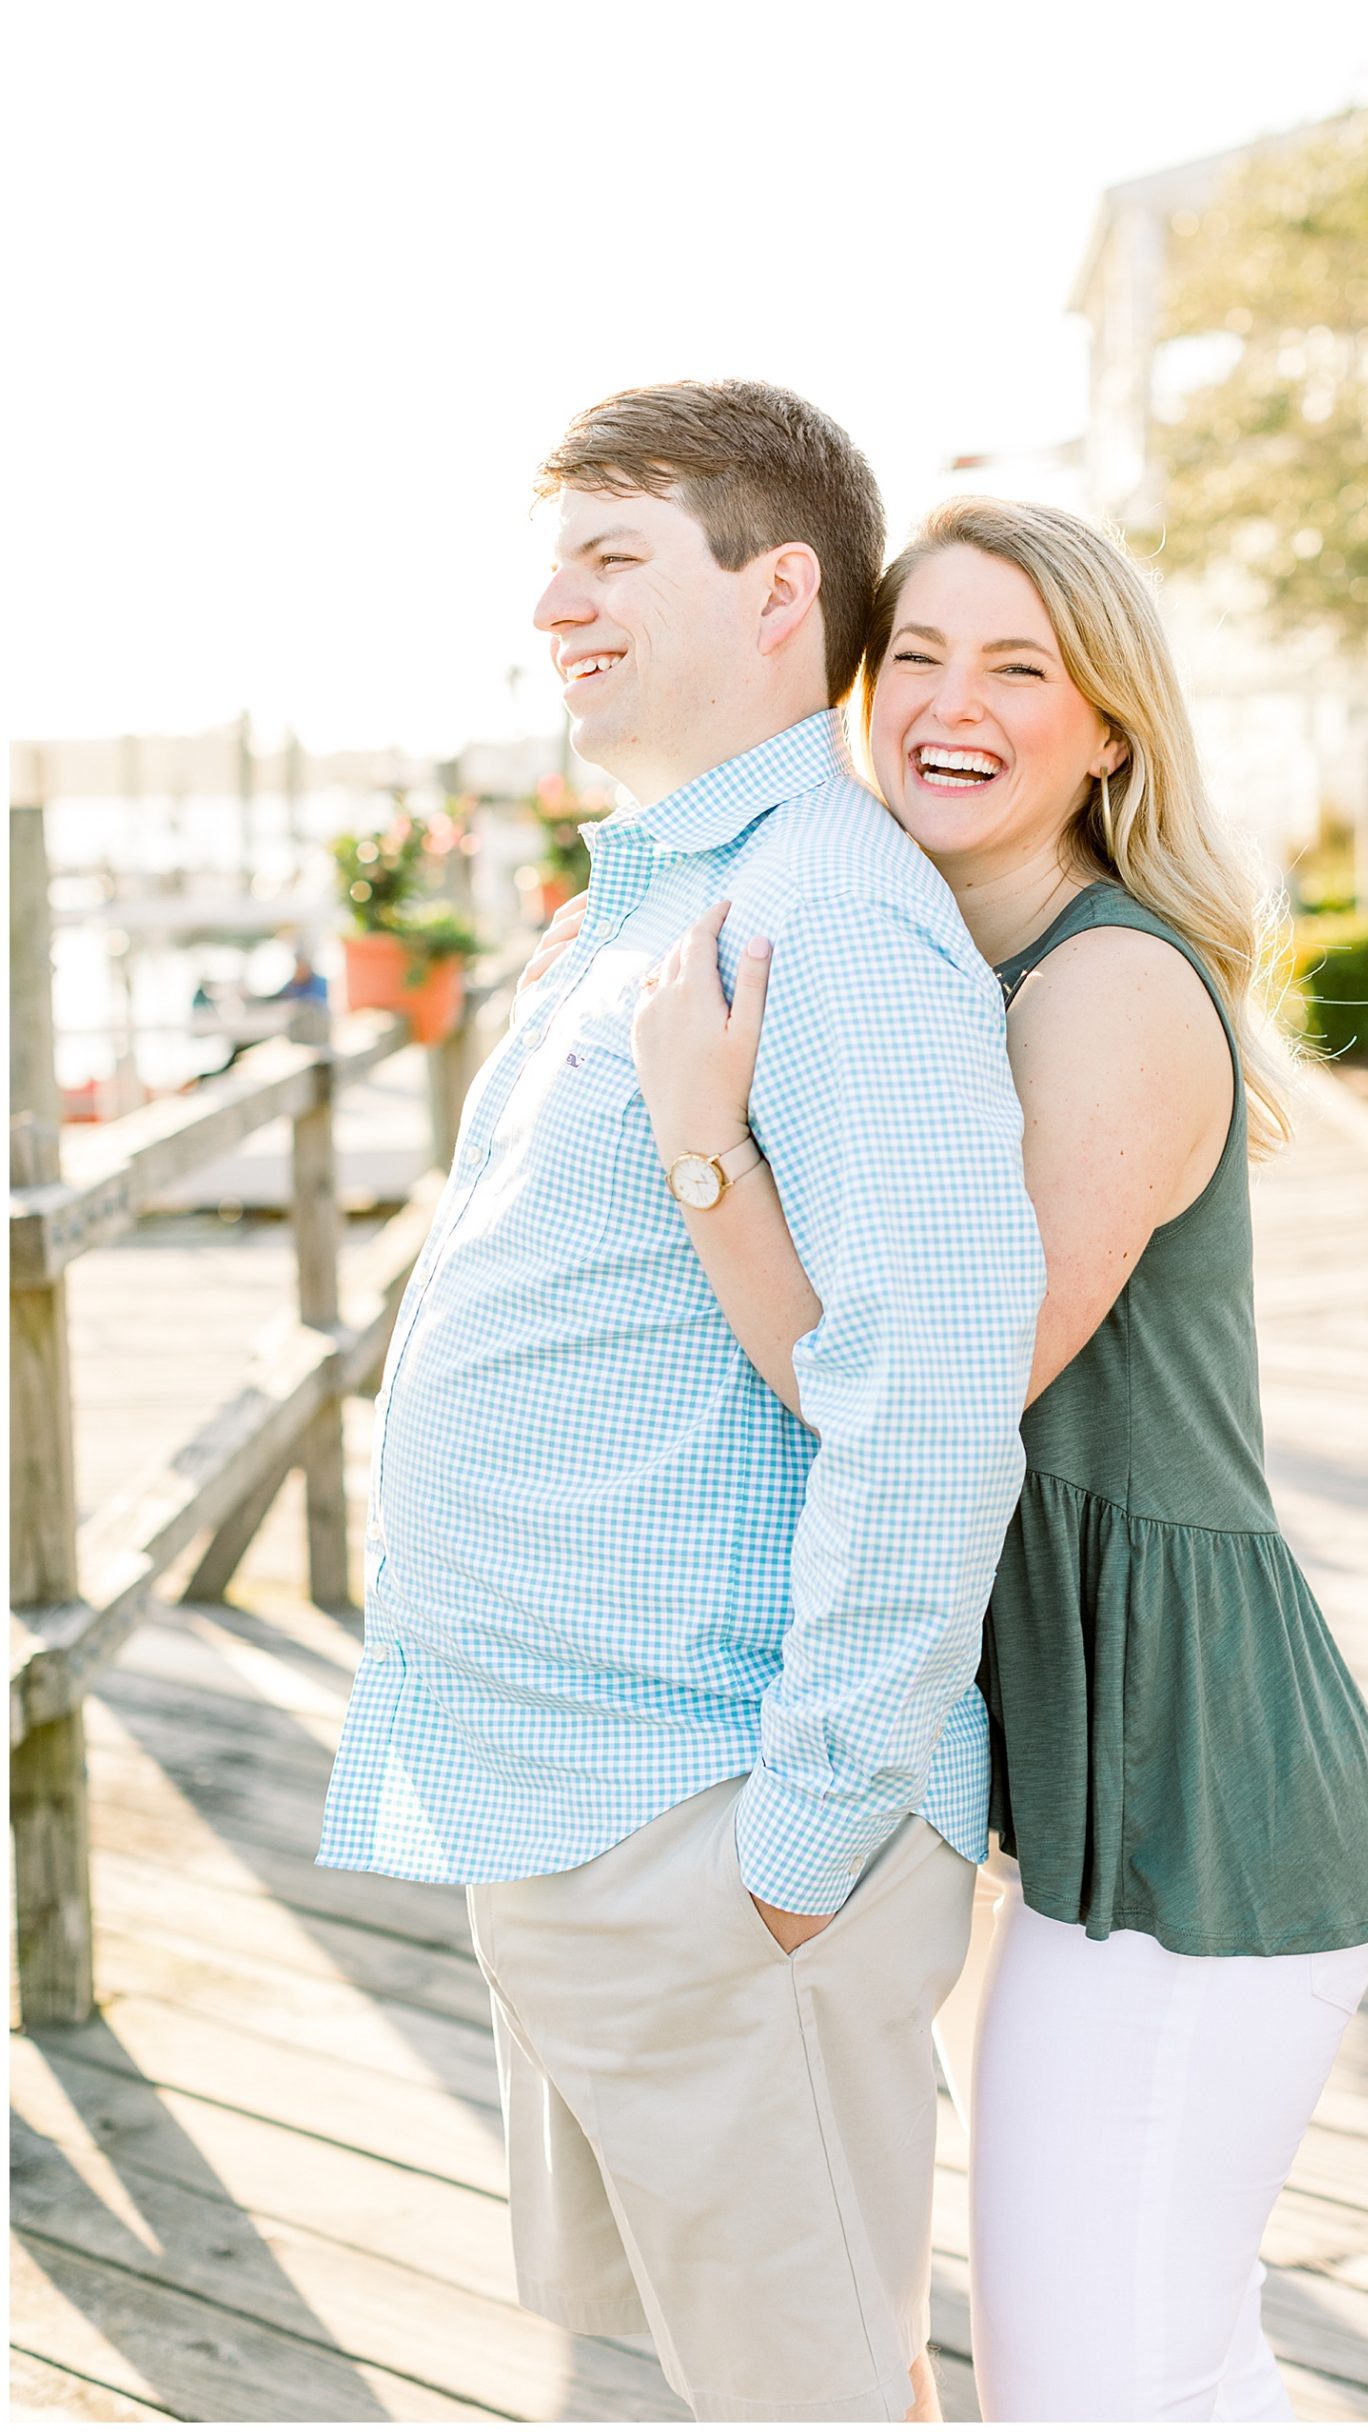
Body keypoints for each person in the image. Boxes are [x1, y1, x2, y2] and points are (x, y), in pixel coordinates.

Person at [550, 495, 1368, 2423]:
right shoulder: (931, 965)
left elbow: (910, 1400)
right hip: (1065, 1770)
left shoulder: (1106, 990)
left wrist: (701, 1144)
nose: (953, 705)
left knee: (1106, 2378)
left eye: (1019, 668)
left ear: (1108, 726)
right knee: (1143, 2361)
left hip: (1191, 1790)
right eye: (919, 660)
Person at [315, 385, 1044, 2425]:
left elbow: (926, 1394)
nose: (550, 604)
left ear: (776, 584)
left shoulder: (830, 915)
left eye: (609, 556)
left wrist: (807, 1826)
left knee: (808, 2390)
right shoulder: (646, 894)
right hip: (578, 1800)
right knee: (691, 2379)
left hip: (714, 1824)